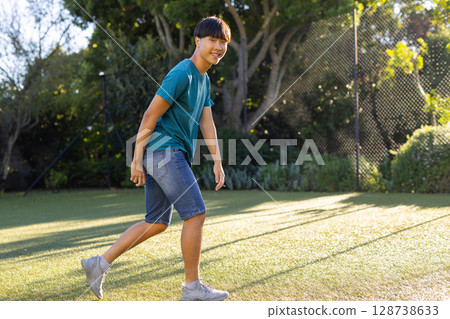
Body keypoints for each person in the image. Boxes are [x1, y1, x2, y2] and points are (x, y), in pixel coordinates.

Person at [81, 16, 231, 301]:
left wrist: (217, 161)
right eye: (213, 40)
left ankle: (98, 264)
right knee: (196, 214)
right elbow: (151, 115)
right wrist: (136, 159)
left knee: (157, 221)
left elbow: (206, 122)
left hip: (164, 154)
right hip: (163, 151)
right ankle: (192, 287)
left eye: (223, 42)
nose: (218, 47)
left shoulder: (204, 79)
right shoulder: (182, 73)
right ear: (197, 41)